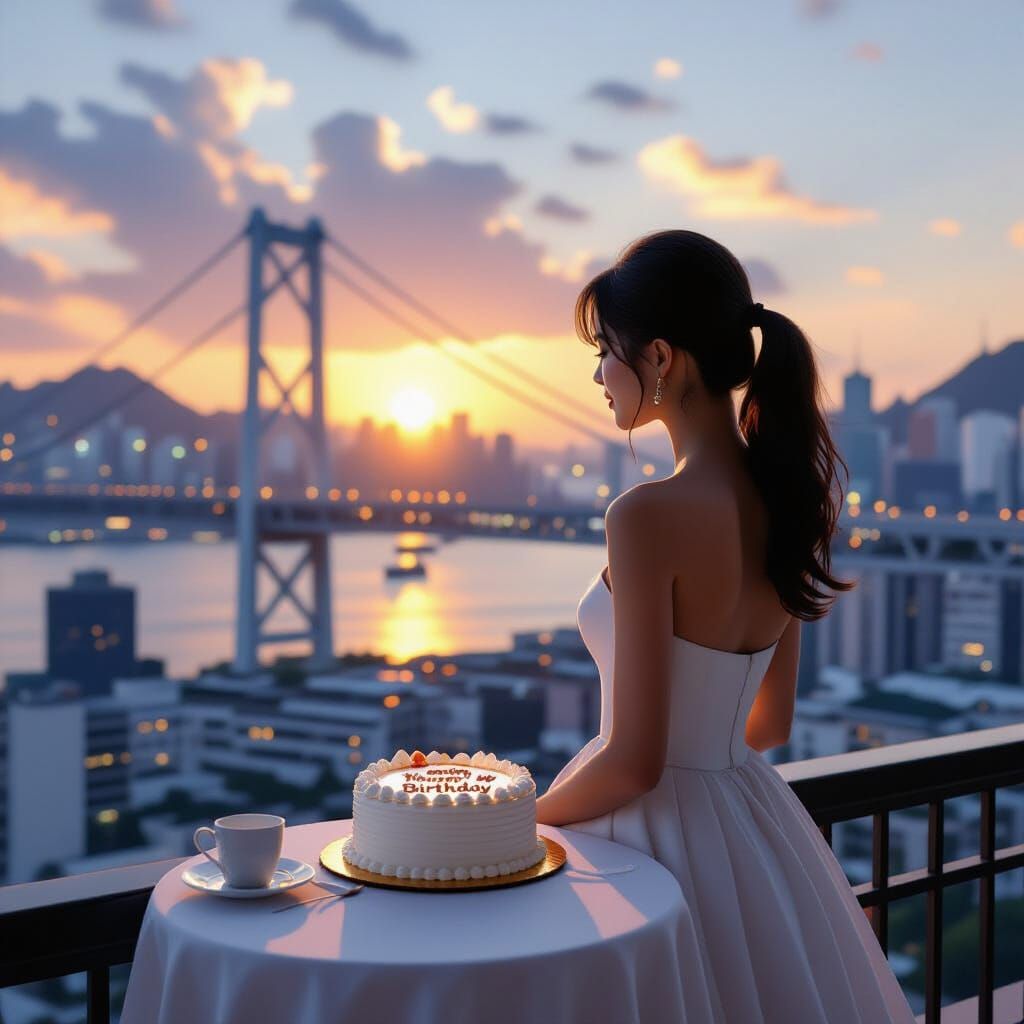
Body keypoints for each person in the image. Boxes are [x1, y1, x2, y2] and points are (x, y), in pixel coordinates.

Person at [534, 229, 917, 1023]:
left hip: (641, 846)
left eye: (606, 351)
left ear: (660, 358)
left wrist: (513, 817)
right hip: (749, 829)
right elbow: (769, 724)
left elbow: (635, 762)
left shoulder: (644, 516)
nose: (599, 375)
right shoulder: (792, 501)